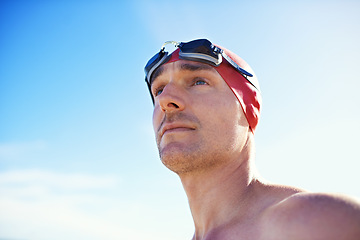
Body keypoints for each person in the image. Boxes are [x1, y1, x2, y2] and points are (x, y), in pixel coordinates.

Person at [144, 39, 360, 240]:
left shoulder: (316, 223)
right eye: (159, 89)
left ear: (250, 111)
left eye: (199, 81)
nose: (165, 100)